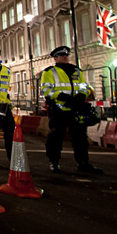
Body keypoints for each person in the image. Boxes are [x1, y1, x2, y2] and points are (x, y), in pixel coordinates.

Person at [41, 46, 102, 174]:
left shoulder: (76, 71)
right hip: (59, 109)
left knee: (80, 138)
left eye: (66, 55)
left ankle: (83, 163)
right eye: (62, 55)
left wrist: (82, 95)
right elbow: (46, 90)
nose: (65, 57)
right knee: (56, 137)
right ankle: (54, 162)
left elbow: (85, 86)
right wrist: (62, 96)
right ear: (55, 58)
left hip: (76, 108)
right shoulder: (49, 72)